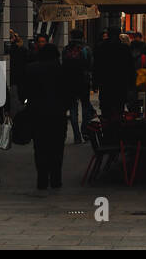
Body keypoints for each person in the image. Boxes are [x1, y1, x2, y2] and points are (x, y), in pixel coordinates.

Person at [22, 43, 70, 190]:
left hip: (37, 113)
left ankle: (42, 179)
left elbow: (23, 92)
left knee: (40, 147)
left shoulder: (31, 69)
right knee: (57, 147)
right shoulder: (63, 70)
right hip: (58, 114)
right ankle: (56, 179)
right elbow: (69, 92)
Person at [94, 26, 135, 119]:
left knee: (106, 111)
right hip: (120, 83)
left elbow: (96, 66)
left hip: (106, 83)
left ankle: (108, 130)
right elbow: (130, 67)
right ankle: (117, 129)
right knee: (119, 109)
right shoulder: (124, 48)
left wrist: (95, 82)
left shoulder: (101, 47)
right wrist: (131, 83)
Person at [61, 29, 93, 144]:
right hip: (83, 82)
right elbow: (90, 65)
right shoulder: (86, 49)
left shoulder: (66, 49)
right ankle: (84, 130)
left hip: (70, 83)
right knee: (86, 107)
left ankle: (76, 135)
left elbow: (63, 64)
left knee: (73, 109)